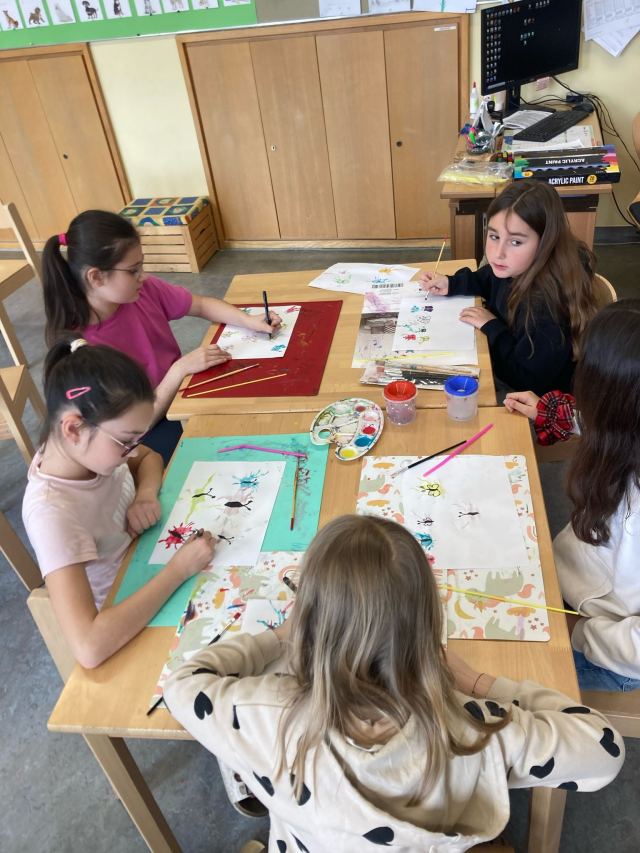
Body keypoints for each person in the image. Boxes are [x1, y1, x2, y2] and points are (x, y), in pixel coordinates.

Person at [164, 515, 623, 850]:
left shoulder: (262, 714)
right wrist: (479, 681)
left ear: (310, 620)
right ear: (427, 623)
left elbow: (182, 682)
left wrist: (279, 635)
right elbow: (604, 750)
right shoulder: (477, 731)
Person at [22, 339, 216, 669]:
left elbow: (149, 458)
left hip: (149, 562)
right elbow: (89, 647)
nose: (132, 450)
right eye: (126, 441)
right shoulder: (51, 513)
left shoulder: (87, 453)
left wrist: (145, 495)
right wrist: (178, 570)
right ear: (74, 428)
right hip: (127, 619)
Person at [41, 210, 281, 463]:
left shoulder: (141, 292)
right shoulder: (83, 349)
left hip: (178, 392)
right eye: (133, 270)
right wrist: (179, 370)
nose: (142, 276)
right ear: (96, 276)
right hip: (145, 434)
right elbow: (136, 426)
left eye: (141, 265)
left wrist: (249, 321)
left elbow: (200, 305)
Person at [505, 300, 640, 692]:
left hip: (608, 649)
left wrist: (574, 630)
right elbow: (604, 423)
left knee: (490, 666)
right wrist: (549, 412)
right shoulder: (626, 429)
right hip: (579, 588)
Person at [418, 180, 598, 396]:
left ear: (545, 243)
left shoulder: (549, 306)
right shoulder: (514, 267)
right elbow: (485, 278)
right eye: (494, 236)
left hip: (533, 399)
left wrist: (492, 327)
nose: (498, 253)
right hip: (508, 365)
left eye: (515, 242)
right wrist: (451, 283)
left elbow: (526, 380)